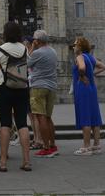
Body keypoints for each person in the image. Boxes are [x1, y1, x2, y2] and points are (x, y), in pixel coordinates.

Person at [0, 21, 31, 172]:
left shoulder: (1, 49)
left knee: (5, 124)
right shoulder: (23, 48)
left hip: (5, 88)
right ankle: (26, 161)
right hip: (22, 87)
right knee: (22, 123)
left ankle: (2, 162)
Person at [72, 36, 105, 156]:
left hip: (82, 89)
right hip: (92, 89)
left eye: (75, 44)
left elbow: (81, 67)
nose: (73, 46)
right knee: (94, 117)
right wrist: (91, 74)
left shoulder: (80, 57)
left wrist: (82, 76)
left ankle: (86, 147)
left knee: (85, 116)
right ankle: (96, 145)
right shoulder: (90, 57)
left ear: (80, 47)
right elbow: (103, 66)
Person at [28, 30, 59, 158]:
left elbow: (26, 64)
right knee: (48, 117)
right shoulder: (53, 51)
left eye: (34, 39)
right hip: (51, 86)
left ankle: (46, 147)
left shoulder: (37, 53)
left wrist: (32, 48)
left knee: (40, 117)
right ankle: (53, 145)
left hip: (39, 87)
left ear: (37, 41)